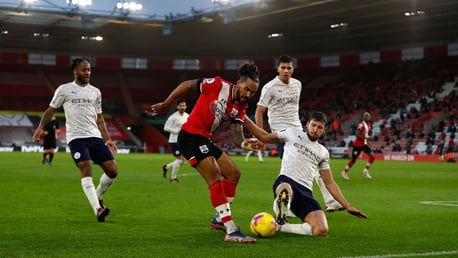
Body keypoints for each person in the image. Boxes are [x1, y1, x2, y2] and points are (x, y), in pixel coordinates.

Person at [150, 63, 260, 243]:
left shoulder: (241, 107)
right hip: (190, 137)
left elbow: (237, 138)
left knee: (233, 174)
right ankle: (231, 230)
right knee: (215, 177)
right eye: (247, 89)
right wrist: (166, 103)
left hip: (204, 139)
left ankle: (219, 219)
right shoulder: (218, 85)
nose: (248, 95)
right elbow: (186, 84)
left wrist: (247, 144)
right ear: (238, 84)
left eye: (253, 92)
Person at [244, 111, 368, 236]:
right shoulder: (292, 133)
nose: (315, 129)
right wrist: (244, 118)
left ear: (324, 130)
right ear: (307, 124)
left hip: (305, 192)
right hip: (286, 181)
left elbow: (329, 183)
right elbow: (264, 136)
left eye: (320, 127)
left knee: (321, 230)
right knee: (285, 191)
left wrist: (347, 206)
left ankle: (281, 226)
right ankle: (282, 204)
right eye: (313, 125)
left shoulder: (323, 152)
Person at [32, 57, 118, 222]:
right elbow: (50, 111)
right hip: (76, 137)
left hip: (95, 136)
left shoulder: (96, 92)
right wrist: (40, 128)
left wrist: (107, 138)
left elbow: (99, 117)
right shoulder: (64, 89)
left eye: (89, 70)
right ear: (75, 71)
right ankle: (98, 209)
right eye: (84, 70)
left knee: (113, 171)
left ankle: (97, 196)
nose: (87, 73)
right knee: (86, 167)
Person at [254, 55, 342, 212]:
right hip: (281, 133)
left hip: (298, 131)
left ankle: (330, 201)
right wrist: (260, 136)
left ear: (293, 69)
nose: (286, 71)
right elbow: (259, 111)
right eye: (283, 68)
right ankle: (284, 204)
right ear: (278, 69)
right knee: (289, 169)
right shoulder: (270, 87)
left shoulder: (297, 85)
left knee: (314, 164)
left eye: (289, 68)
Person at [161, 99, 189, 182]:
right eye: (180, 106)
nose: (182, 107)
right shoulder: (173, 117)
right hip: (174, 140)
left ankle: (166, 167)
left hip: (184, 141)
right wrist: (176, 131)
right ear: (177, 107)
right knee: (180, 159)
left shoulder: (188, 116)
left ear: (186, 106)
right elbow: (165, 127)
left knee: (183, 161)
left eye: (184, 106)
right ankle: (173, 178)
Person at [341, 112, 375, 180]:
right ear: (363, 117)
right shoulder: (361, 125)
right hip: (357, 145)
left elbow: (365, 134)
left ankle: (365, 171)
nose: (367, 117)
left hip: (364, 144)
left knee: (372, 156)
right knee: (353, 160)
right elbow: (357, 134)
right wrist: (367, 138)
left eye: (368, 116)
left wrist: (367, 141)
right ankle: (344, 172)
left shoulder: (368, 125)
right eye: (366, 116)